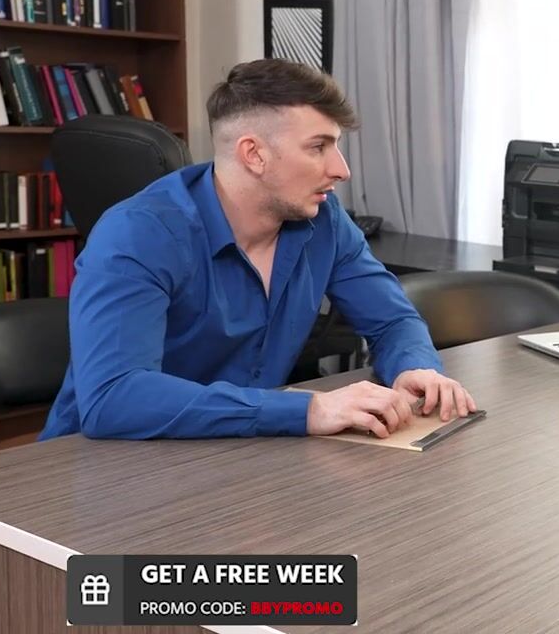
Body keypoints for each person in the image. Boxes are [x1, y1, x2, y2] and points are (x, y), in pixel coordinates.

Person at [40, 59, 476, 441]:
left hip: (241, 454)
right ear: (253, 154)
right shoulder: (138, 234)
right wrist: (308, 410)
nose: (341, 169)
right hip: (101, 469)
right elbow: (114, 397)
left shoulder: (324, 221)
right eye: (318, 147)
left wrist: (414, 367)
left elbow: (392, 320)